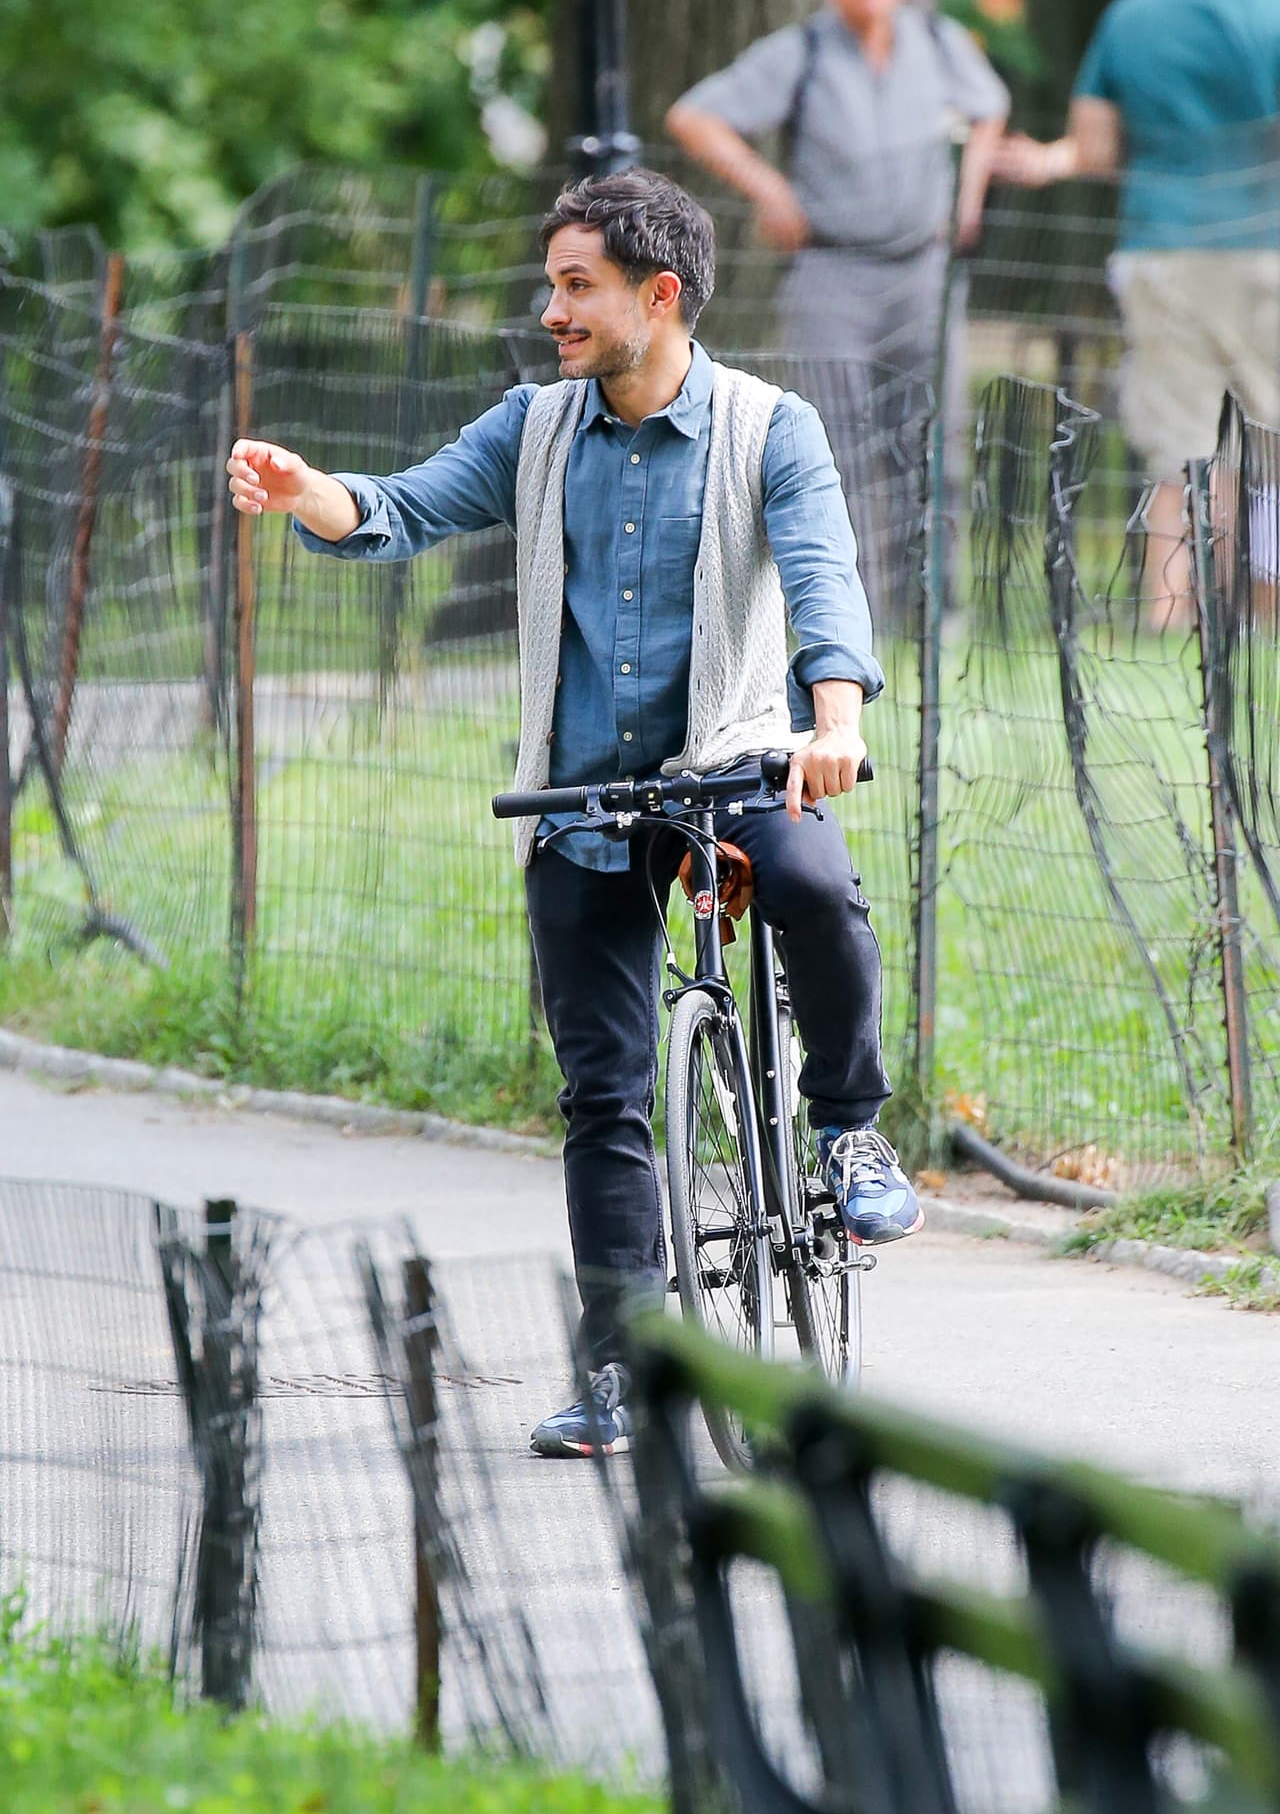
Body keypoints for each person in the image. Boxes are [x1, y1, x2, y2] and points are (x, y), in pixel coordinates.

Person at [226, 168, 921, 1459]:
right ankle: (622, 1374)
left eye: (575, 286)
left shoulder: (771, 429)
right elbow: (400, 510)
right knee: (605, 1096)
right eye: (553, 285)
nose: (552, 310)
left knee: (818, 891)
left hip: (736, 759)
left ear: (659, 296)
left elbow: (825, 583)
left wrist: (834, 726)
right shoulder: (536, 429)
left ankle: (848, 1129)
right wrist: (306, 488)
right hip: (583, 792)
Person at [665, 0, 1009, 619]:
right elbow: (695, 116)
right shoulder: (802, 51)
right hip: (832, 272)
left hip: (925, 271)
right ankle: (856, 614)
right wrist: (772, 191)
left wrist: (967, 196)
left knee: (934, 435)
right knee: (839, 443)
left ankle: (936, 614)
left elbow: (990, 110)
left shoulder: (939, 42)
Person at [996, 0, 1280, 630]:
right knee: (1275, 453)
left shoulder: (1132, 13)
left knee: (1181, 452)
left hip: (1160, 254)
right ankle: (1270, 620)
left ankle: (1169, 620)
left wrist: (1052, 158)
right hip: (1266, 251)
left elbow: (1093, 146)